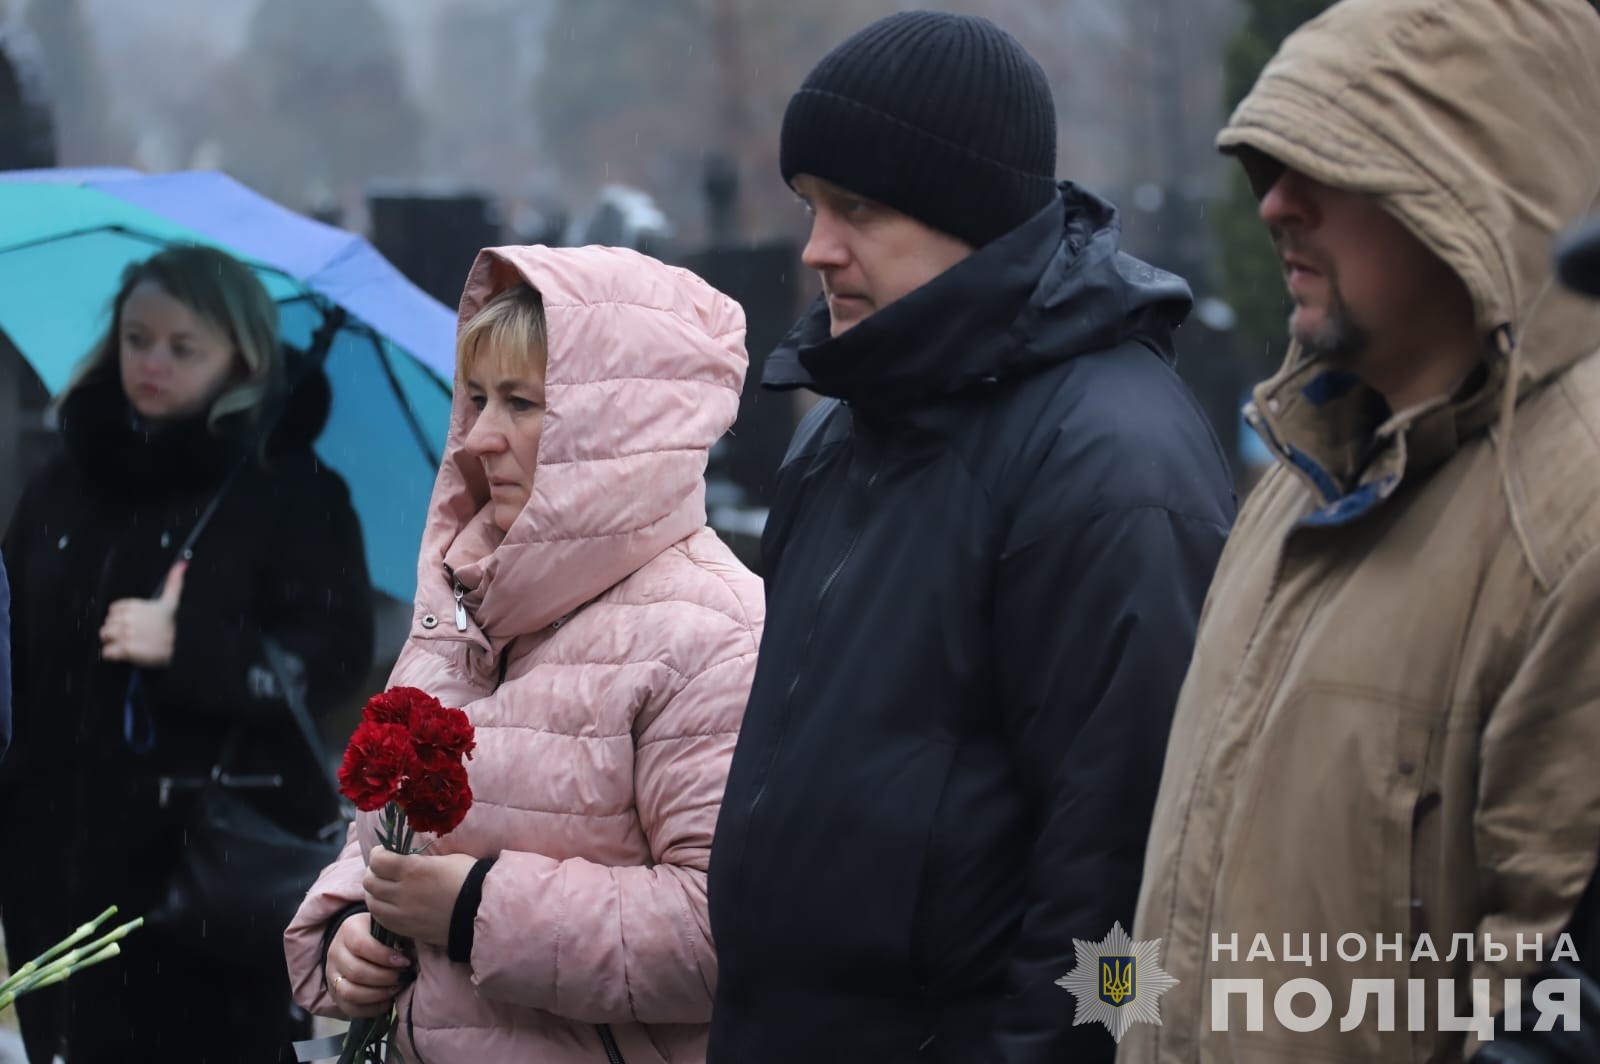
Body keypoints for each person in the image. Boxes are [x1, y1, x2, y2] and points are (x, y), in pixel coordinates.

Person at [704, 11, 1236, 1063]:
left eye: (857, 208)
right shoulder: (845, 432)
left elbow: (1124, 880)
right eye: (811, 205)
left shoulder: (1108, 469)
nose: (815, 247)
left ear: (971, 216)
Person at [1123, 1, 1600, 1061]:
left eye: (1326, 165)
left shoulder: (1572, 524)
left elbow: (1554, 1006)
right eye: (1269, 165)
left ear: (1477, 188)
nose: (1275, 207)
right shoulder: (1298, 468)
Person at [284, 245, 764, 1063]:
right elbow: (385, 839)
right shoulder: (465, 600)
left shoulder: (712, 630)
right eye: (475, 400)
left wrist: (477, 909)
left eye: (522, 403)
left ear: (615, 432)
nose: (479, 438)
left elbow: (727, 934)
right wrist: (350, 931)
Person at [0, 244, 375, 1062]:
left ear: (241, 356)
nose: (153, 364)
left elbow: (338, 655)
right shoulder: (67, 479)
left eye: (183, 347)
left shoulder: (289, 492)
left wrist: (193, 646)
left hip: (199, 877)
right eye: (138, 339)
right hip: (53, 858)